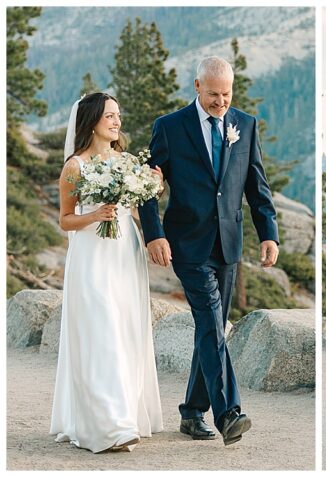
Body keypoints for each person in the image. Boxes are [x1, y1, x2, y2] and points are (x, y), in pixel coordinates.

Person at [138, 56, 279, 446]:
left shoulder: (245, 125)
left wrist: (269, 234)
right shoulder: (169, 127)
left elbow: (257, 185)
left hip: (229, 243)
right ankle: (229, 413)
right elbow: (146, 186)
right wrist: (154, 234)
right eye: (214, 93)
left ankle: (190, 412)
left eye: (227, 94)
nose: (221, 102)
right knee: (212, 323)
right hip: (187, 243)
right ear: (197, 87)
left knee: (212, 328)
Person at [50, 92, 164, 453]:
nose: (117, 122)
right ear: (92, 121)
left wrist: (154, 185)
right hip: (91, 255)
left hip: (123, 252)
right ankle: (109, 426)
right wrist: (94, 216)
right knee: (101, 331)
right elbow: (65, 219)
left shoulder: (127, 161)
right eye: (109, 116)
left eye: (118, 115)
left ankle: (126, 415)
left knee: (126, 328)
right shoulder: (75, 166)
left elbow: (137, 205)